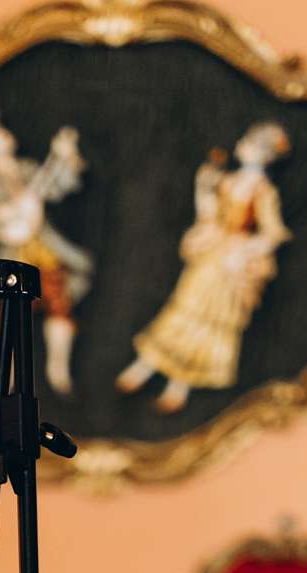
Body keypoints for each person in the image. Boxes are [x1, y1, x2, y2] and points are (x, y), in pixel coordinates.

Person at [117, 121, 291, 413]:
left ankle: (179, 385)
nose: (241, 146)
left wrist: (245, 251)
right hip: (212, 251)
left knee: (211, 319)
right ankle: (144, 367)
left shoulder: (264, 192)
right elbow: (208, 214)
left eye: (248, 143)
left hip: (231, 262)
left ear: (263, 154)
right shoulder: (228, 181)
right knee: (185, 307)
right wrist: (203, 188)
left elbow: (272, 233)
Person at [0, 108, 94, 395]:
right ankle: (6, 376)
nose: (4, 135)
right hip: (13, 256)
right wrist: (0, 216)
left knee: (59, 303)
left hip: (44, 250)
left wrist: (67, 156)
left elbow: (59, 185)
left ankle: (58, 368)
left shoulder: (27, 170)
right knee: (9, 314)